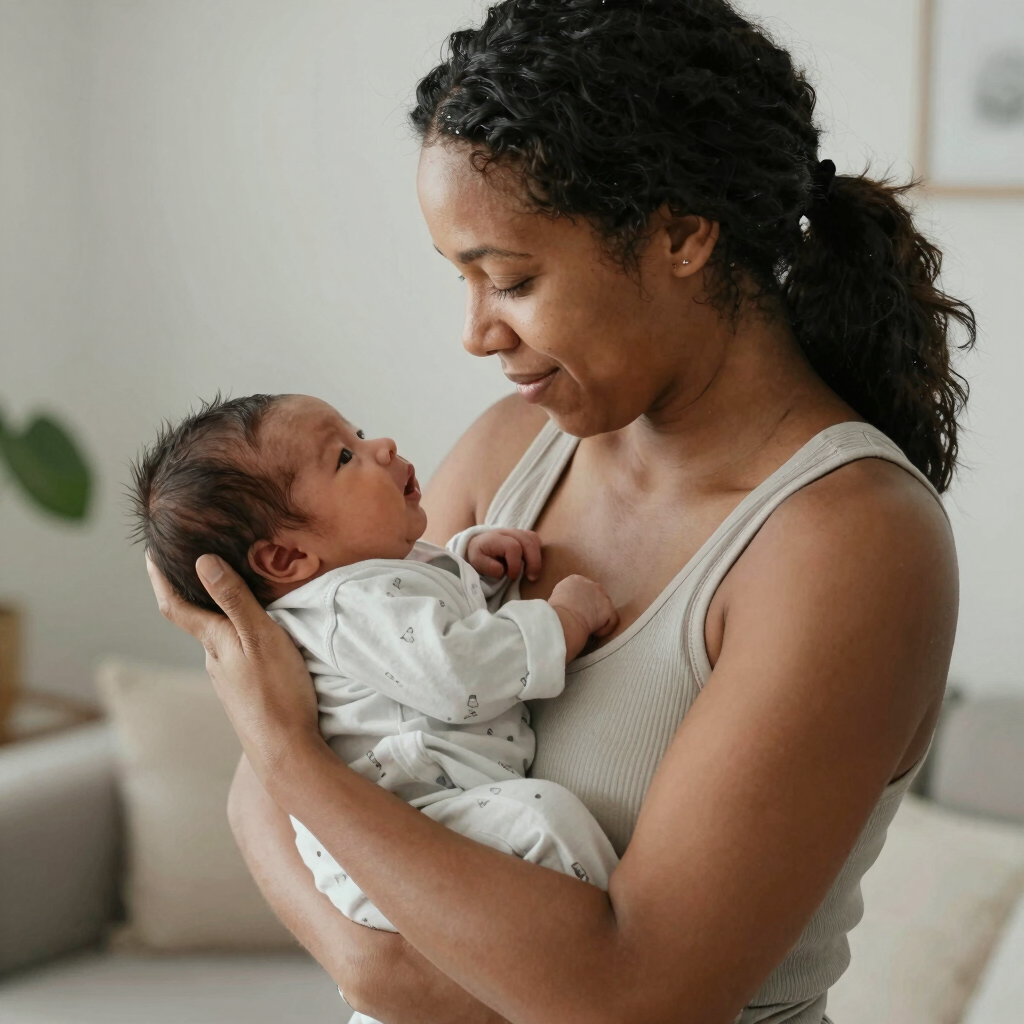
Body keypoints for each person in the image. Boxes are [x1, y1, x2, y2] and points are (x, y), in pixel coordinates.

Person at [148, 1, 976, 1021]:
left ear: (682, 234)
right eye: (462, 278)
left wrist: (290, 762)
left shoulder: (848, 542)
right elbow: (278, 779)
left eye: (510, 278)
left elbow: (632, 1000)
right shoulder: (513, 451)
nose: (475, 332)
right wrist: (300, 802)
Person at [130, 393, 618, 958]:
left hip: (430, 816)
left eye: (357, 434)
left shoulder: (363, 584)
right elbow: (457, 673)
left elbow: (415, 615)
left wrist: (468, 563)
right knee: (546, 822)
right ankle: (616, 960)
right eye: (343, 457)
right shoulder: (346, 607)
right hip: (409, 826)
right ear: (286, 559)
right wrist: (565, 620)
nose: (381, 447)